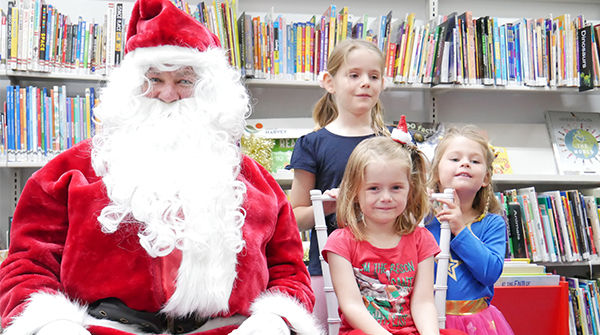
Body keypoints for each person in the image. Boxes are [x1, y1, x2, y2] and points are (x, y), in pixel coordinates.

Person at [0, 1, 320, 335]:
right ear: (131, 88)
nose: (168, 95)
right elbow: (27, 264)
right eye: (154, 79)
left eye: (184, 81)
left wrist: (274, 319)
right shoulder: (67, 173)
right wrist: (52, 324)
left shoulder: (255, 181)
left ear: (211, 93)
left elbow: (289, 269)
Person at [322, 120, 468, 335]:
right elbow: (351, 305)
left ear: (410, 190)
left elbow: (423, 302)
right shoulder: (341, 242)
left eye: (396, 187)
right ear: (355, 192)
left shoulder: (422, 239)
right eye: (373, 188)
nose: (386, 197)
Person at [286, 38, 391, 328]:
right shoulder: (312, 145)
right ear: (329, 82)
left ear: (383, 82)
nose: (365, 83)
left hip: (388, 271)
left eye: (374, 76)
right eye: (354, 75)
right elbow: (294, 219)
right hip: (327, 269)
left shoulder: (394, 143)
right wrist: (329, 206)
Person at [425, 126, 514, 335]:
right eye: (455, 159)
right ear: (437, 172)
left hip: (476, 323)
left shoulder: (493, 223)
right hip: (427, 321)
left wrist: (460, 228)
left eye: (474, 161)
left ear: (485, 178)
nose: (465, 163)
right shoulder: (423, 219)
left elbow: (490, 273)